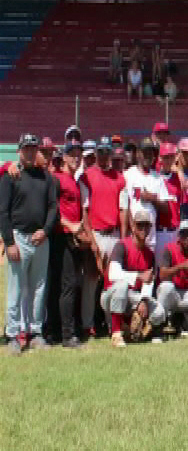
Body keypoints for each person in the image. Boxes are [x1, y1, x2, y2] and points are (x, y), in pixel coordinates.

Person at [1, 134, 57, 354]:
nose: (30, 152)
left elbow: (53, 207)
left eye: (34, 148)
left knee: (39, 288)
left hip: (40, 239)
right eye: (27, 149)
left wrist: (45, 230)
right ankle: (13, 333)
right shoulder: (11, 176)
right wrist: (9, 242)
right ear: (19, 151)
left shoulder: (46, 178)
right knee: (16, 288)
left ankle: (35, 332)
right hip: (18, 237)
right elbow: (2, 211)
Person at [79, 136, 127, 338]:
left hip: (114, 233)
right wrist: (91, 240)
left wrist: (123, 239)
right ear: (96, 153)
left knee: (113, 280)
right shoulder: (87, 176)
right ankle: (87, 323)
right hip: (97, 233)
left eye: (107, 152)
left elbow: (123, 210)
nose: (104, 156)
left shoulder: (119, 178)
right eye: (101, 152)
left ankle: (111, 323)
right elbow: (84, 210)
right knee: (90, 279)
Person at [47, 139, 91, 348]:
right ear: (63, 157)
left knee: (66, 285)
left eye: (78, 154)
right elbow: (52, 210)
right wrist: (71, 226)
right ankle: (66, 334)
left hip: (71, 237)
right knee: (68, 285)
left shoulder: (74, 181)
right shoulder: (57, 179)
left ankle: (56, 332)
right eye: (71, 154)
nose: (76, 157)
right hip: (61, 237)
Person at [100, 209, 165, 348]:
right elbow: (113, 274)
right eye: (140, 225)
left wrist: (144, 300)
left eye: (146, 226)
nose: (143, 229)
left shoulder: (149, 254)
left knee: (159, 312)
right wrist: (139, 276)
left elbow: (149, 281)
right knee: (122, 286)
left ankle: (133, 328)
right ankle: (117, 333)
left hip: (132, 297)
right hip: (110, 296)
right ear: (133, 227)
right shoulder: (122, 245)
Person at [121, 137, 170, 251]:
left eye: (150, 152)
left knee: (149, 268)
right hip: (132, 236)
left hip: (151, 238)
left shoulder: (158, 178)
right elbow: (124, 205)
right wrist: (132, 226)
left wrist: (152, 198)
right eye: (145, 152)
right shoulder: (128, 175)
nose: (148, 155)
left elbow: (166, 209)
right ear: (138, 153)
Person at [156, 143, 187, 257]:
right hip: (159, 231)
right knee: (159, 269)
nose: (168, 161)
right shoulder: (155, 177)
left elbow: (183, 205)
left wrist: (179, 171)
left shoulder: (178, 179)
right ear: (160, 158)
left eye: (171, 157)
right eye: (165, 157)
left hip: (175, 231)